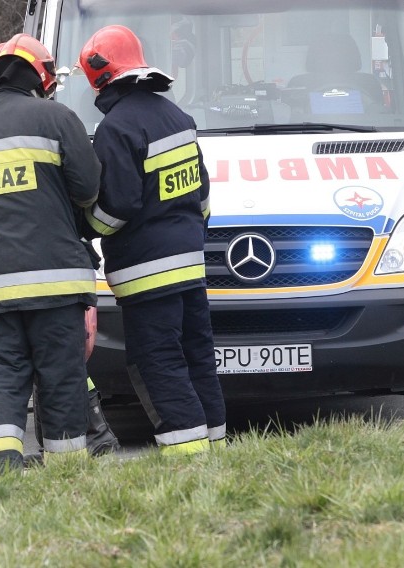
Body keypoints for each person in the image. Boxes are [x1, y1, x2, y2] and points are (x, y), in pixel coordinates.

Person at [79, 25, 226, 455]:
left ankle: (186, 455)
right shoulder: (177, 116)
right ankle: (215, 447)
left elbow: (116, 209)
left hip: (147, 274)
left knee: (157, 360)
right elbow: (201, 197)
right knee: (198, 353)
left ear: (101, 79)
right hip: (191, 266)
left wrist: (84, 226)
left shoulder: (115, 128)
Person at [0, 42, 121, 461]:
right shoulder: (56, 117)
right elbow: (88, 187)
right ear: (39, 79)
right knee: (60, 374)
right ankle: (66, 464)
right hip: (53, 279)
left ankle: (1, 464)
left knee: (1, 375)